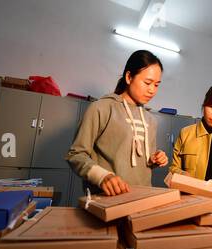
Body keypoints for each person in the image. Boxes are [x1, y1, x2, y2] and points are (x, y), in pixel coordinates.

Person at [67, 50, 168, 197]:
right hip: (107, 200)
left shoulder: (150, 120)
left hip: (142, 198)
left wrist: (155, 159)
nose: (152, 90)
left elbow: (143, 163)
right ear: (128, 77)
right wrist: (102, 177)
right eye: (147, 82)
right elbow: (76, 155)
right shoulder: (101, 108)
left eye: (157, 85)